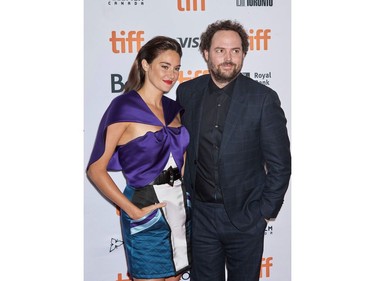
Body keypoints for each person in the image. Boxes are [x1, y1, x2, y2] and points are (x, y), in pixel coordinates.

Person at [176, 20, 291, 281]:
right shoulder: (187, 93)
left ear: (243, 54)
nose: (228, 58)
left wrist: (263, 214)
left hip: (246, 218)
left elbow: (280, 164)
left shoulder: (263, 98)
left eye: (236, 51)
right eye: (220, 50)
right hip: (202, 217)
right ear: (206, 53)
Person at [87, 36, 191, 281]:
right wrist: (132, 210)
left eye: (176, 68)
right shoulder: (124, 106)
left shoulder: (174, 108)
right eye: (164, 66)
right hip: (146, 209)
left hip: (179, 209)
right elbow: (95, 169)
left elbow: (181, 157)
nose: (171, 74)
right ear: (145, 65)